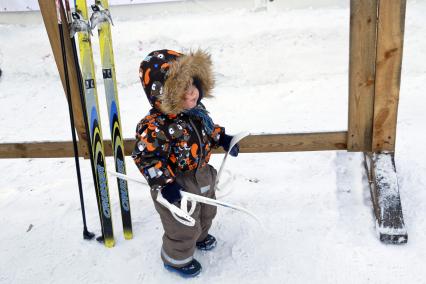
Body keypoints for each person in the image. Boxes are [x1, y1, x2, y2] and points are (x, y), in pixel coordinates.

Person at [132, 49, 239, 278]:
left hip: (203, 174)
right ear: (164, 95)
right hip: (176, 182)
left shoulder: (196, 112)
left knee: (206, 212)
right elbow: (146, 157)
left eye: (194, 90)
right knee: (182, 225)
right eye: (183, 94)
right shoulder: (155, 126)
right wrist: (166, 184)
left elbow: (209, 131)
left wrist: (224, 139)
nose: (192, 97)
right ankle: (177, 259)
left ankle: (200, 236)